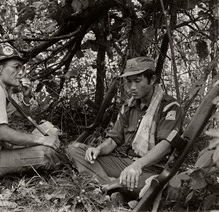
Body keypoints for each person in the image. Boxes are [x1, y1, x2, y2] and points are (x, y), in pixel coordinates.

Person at [67, 57, 183, 196]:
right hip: (126, 164)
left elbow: (166, 145)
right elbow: (113, 140)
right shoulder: (128, 107)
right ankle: (112, 187)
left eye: (137, 81)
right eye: (129, 82)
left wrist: (137, 165)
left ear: (152, 80)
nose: (132, 87)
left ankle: (107, 186)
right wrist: (97, 149)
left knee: (149, 184)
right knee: (75, 150)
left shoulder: (169, 107)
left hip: (152, 168)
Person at [0, 44, 61, 177]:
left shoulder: (1, 90)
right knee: (46, 152)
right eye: (16, 67)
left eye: (22, 68)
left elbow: (23, 114)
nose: (21, 72)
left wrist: (26, 97)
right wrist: (41, 140)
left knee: (48, 128)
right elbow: (3, 134)